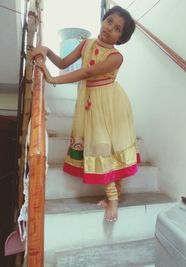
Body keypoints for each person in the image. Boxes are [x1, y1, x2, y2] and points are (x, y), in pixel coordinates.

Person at [31, 5, 140, 222]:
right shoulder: (86, 44)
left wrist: (52, 79)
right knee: (103, 147)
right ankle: (112, 197)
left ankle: (113, 200)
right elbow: (63, 63)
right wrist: (47, 51)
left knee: (106, 148)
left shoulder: (116, 56)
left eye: (117, 28)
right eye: (109, 21)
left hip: (110, 105)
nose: (110, 28)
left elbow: (88, 72)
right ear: (103, 19)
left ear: (121, 38)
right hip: (92, 103)